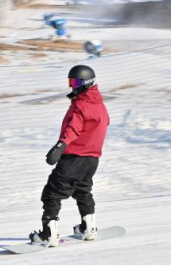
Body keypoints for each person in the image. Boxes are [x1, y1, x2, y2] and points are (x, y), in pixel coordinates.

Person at [29, 65, 110, 247]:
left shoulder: (80, 105)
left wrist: (60, 145)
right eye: (70, 82)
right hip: (92, 160)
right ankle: (88, 228)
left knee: (51, 193)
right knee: (83, 191)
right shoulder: (100, 105)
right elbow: (104, 124)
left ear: (85, 82)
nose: (71, 86)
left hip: (74, 157)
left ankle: (48, 235)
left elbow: (73, 128)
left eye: (74, 82)